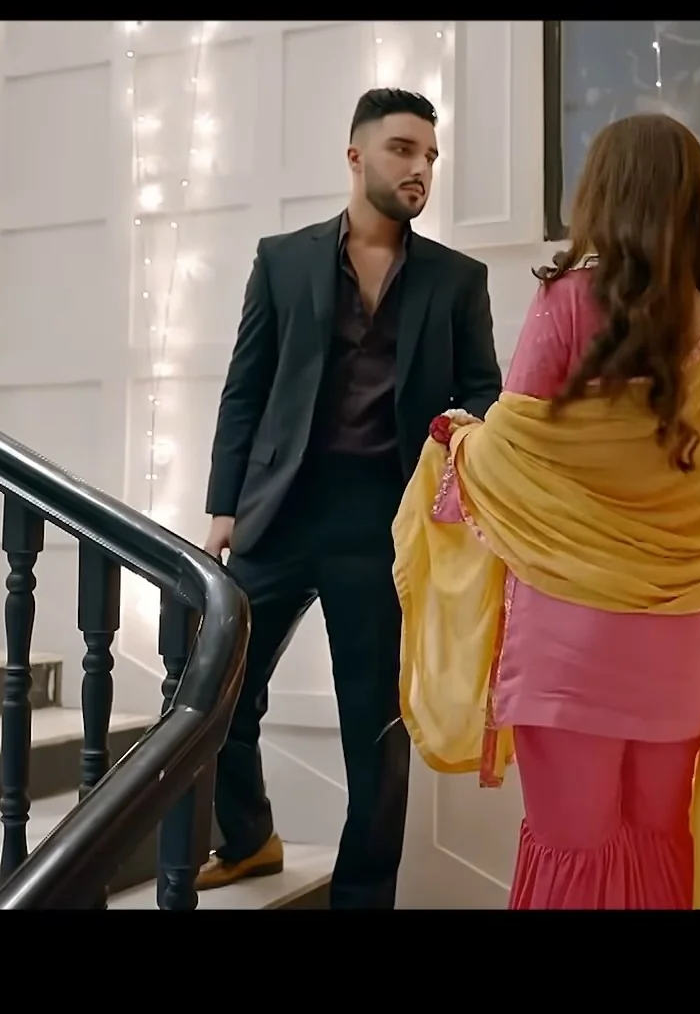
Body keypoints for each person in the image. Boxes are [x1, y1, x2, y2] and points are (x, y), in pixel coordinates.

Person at [392, 112, 700, 910]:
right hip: (680, 639)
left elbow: (513, 452)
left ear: (603, 193)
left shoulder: (568, 301)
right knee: (662, 844)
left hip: (569, 638)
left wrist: (459, 439)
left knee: (571, 851)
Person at [199, 87, 504, 909]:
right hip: (279, 511)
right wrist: (224, 504)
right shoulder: (283, 260)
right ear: (356, 155)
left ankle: (364, 896)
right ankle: (248, 836)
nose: (420, 168)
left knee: (375, 728)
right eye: (403, 149)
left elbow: (484, 391)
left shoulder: (457, 280)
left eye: (430, 155)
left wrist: (457, 437)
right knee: (215, 691)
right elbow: (244, 389)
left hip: (384, 524)